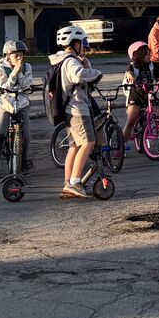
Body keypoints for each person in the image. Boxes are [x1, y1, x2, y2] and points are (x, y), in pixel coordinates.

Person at [51, 24, 105, 198]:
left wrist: (86, 65)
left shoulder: (64, 59)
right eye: (82, 43)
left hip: (70, 110)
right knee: (89, 142)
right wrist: (96, 73)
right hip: (77, 109)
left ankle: (68, 183)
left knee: (74, 146)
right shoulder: (71, 61)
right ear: (75, 43)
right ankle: (74, 182)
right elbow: (78, 75)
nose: (84, 46)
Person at [0, 39, 34, 178]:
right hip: (6, 102)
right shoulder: (0, 67)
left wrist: (19, 72)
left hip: (21, 102)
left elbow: (26, 86)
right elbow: (5, 86)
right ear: (7, 55)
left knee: (26, 134)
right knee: (0, 134)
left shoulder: (27, 67)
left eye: (21, 55)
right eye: (16, 55)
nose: (19, 58)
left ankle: (26, 161)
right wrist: (14, 72)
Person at [122, 40, 154, 145]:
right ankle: (120, 146)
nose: (148, 55)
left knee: (158, 115)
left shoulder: (151, 65)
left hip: (148, 94)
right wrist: (130, 76)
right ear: (137, 55)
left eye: (148, 53)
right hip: (135, 95)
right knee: (131, 121)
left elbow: (157, 76)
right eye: (145, 53)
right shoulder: (132, 66)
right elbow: (128, 72)